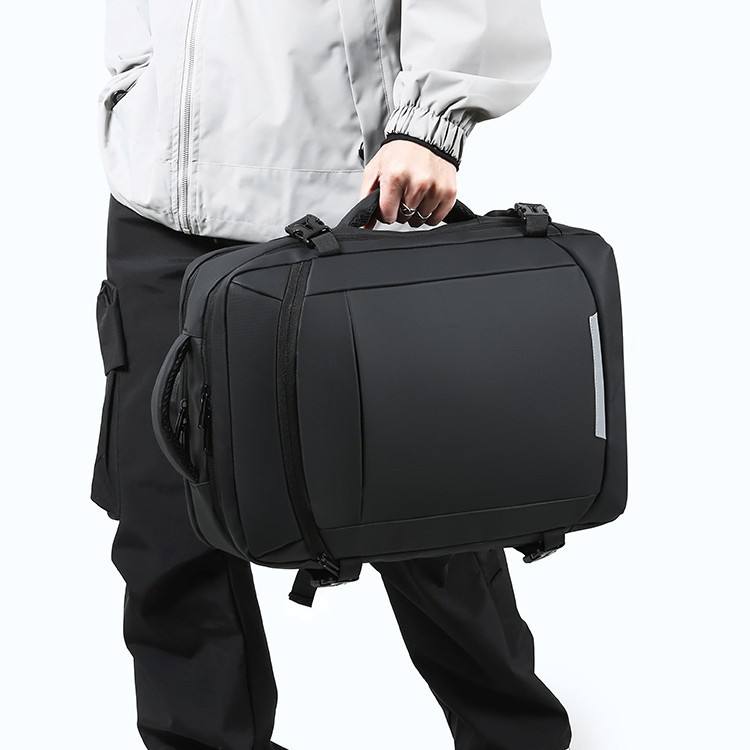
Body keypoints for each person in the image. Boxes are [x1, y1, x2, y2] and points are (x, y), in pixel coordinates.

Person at [92, 2, 570, 749]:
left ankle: (512, 736)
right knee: (164, 512)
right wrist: (137, 82)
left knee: (415, 509)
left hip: (340, 195)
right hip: (156, 203)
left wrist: (431, 123)